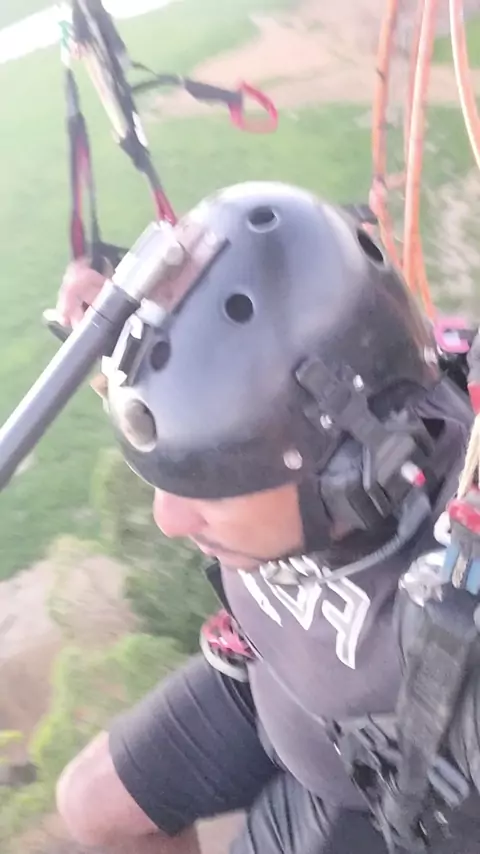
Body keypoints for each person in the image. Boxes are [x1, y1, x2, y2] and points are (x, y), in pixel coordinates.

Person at [54, 181, 480, 853]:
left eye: (211, 485)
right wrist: (121, 363)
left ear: (344, 470)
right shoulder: (329, 402)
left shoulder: (458, 561)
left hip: (382, 777)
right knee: (88, 805)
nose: (170, 518)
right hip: (272, 669)